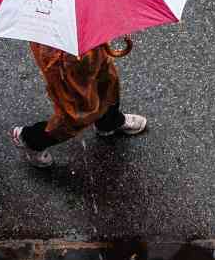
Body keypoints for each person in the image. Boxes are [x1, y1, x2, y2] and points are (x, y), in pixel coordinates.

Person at [11, 42, 146, 167]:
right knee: (78, 112)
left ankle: (109, 121)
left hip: (91, 41)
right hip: (65, 56)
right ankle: (32, 139)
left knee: (106, 80)